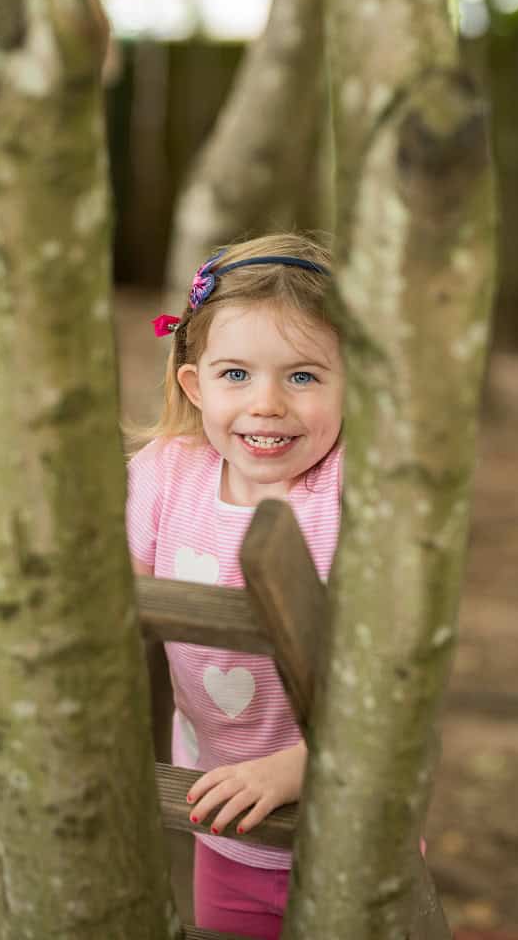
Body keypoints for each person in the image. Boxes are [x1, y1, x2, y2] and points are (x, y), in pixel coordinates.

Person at [125, 232, 344, 939]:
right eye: (235, 374)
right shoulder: (164, 475)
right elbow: (114, 603)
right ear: (195, 383)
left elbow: (395, 671)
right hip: (218, 819)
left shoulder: (353, 492)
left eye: (304, 377)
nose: (267, 403)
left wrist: (298, 767)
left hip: (347, 821)